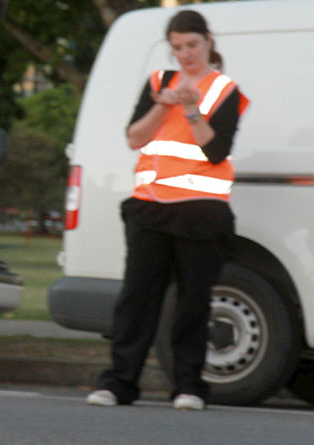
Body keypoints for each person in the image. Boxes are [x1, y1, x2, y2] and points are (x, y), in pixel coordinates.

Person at [86, 10, 249, 411]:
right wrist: (162, 106)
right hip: (151, 210)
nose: (185, 54)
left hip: (201, 214)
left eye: (191, 45)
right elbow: (134, 137)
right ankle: (120, 383)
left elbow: (215, 151)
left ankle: (189, 387)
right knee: (137, 299)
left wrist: (192, 110)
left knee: (194, 302)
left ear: (208, 41)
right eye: (177, 47)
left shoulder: (225, 89)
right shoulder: (159, 82)